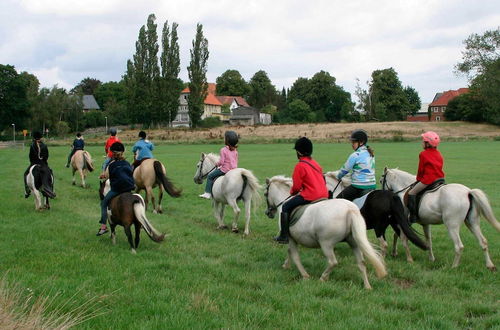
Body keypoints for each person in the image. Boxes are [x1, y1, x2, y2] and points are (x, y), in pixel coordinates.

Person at [274, 137, 328, 244]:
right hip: (324, 194)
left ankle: (284, 236)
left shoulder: (300, 166)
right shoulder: (316, 164)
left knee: (285, 207)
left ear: (299, 152)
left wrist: (292, 193)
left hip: (310, 196)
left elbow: (297, 188)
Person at [97, 142, 135, 236]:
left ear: (112, 154)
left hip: (117, 189)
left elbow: (107, 177)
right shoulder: (127, 163)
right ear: (122, 152)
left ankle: (103, 227)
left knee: (103, 203)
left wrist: (103, 175)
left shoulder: (111, 165)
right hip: (129, 189)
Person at [407, 131, 445, 223]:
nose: (422, 143)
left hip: (428, 180)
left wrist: (418, 180)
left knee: (411, 193)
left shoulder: (423, 154)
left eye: (423, 141)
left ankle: (413, 216)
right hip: (440, 179)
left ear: (427, 143)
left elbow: (421, 170)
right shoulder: (438, 153)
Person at [335, 129, 376, 201]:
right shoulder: (371, 154)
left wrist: (338, 176)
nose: (352, 144)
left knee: (338, 200)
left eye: (354, 142)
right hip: (372, 186)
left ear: (361, 142)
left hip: (359, 186)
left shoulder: (355, 155)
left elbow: (345, 170)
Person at [199, 130, 239, 199]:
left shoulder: (223, 150)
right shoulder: (235, 151)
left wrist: (217, 164)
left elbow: (222, 162)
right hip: (233, 170)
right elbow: (236, 161)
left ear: (227, 140)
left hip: (224, 170)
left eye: (225, 138)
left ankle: (207, 193)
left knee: (210, 176)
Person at [24, 131, 49, 198]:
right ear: (41, 138)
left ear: (34, 138)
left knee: (25, 174)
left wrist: (33, 162)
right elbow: (46, 156)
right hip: (43, 164)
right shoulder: (44, 145)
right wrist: (44, 161)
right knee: (50, 173)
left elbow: (30, 157)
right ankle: (51, 189)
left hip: (34, 163)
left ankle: (27, 190)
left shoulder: (32, 145)